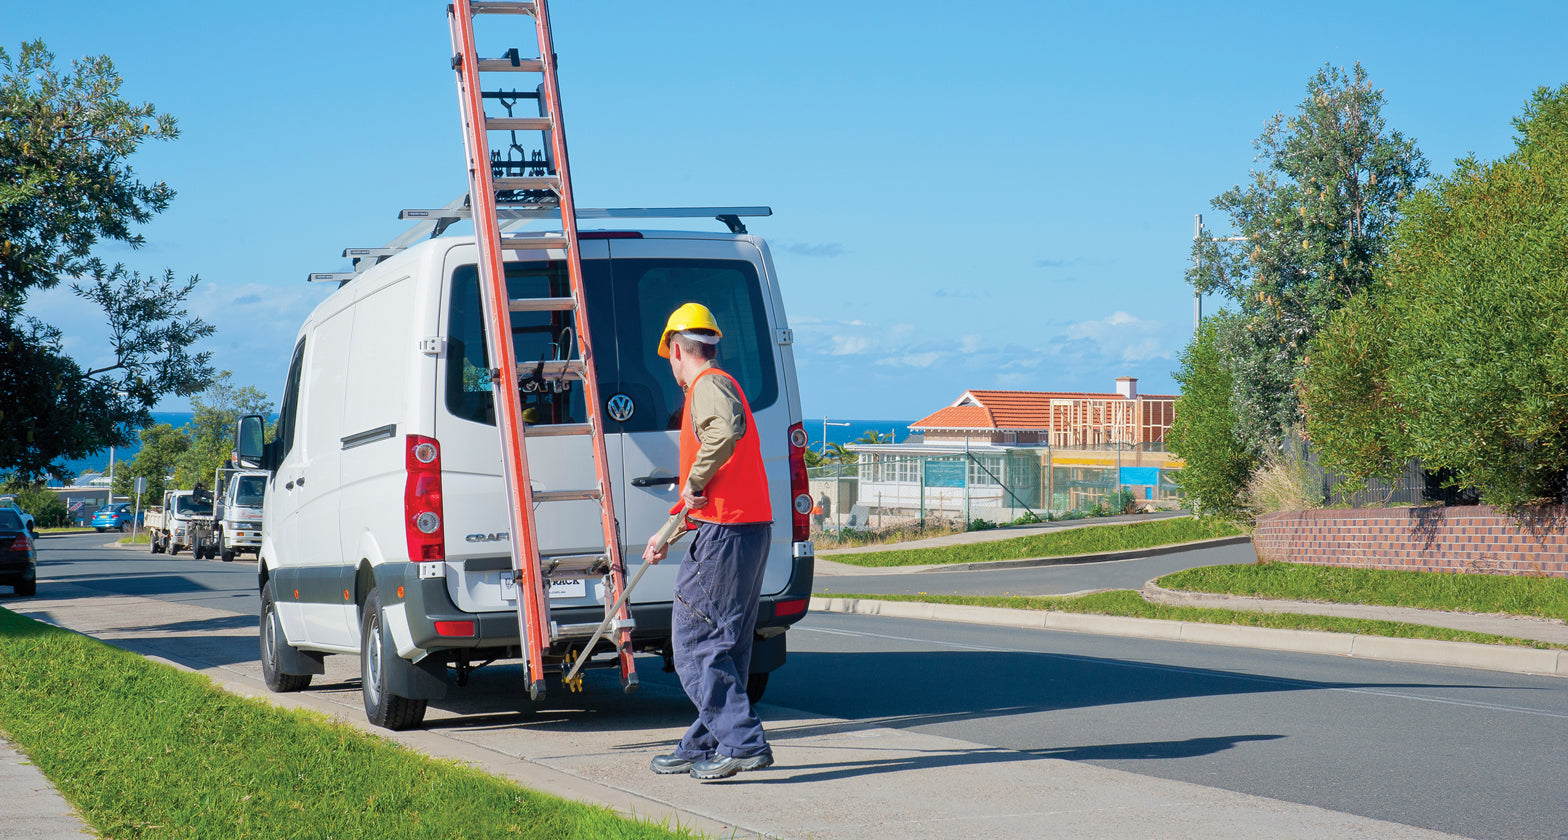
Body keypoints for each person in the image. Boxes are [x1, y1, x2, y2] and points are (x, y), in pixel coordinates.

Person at [642, 302, 775, 781]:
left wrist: (693, 479)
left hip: (726, 534)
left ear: (677, 350)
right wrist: (666, 533)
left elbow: (726, 432)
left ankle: (743, 743)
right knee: (726, 646)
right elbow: (706, 490)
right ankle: (703, 744)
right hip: (744, 529)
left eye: (669, 357)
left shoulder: (707, 386)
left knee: (694, 642)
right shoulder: (725, 385)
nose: (672, 367)